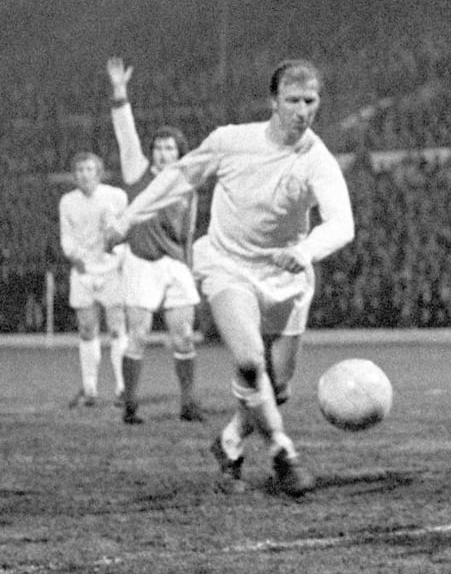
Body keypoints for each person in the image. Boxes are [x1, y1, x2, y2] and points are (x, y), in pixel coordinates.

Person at [106, 59, 355, 497]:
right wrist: (127, 219)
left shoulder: (318, 160)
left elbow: (342, 223)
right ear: (273, 102)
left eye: (310, 101)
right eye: (293, 101)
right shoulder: (231, 142)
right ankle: (283, 451)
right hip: (227, 265)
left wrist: (304, 251)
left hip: (286, 276)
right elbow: (178, 178)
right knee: (249, 361)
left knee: (276, 388)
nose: (303, 110)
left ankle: (231, 441)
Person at [106, 57, 203, 424]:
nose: (162, 153)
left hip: (174, 264)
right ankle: (130, 404)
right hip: (141, 262)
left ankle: (188, 402)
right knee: (139, 336)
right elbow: (125, 132)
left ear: (179, 153)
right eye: (158, 148)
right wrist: (120, 92)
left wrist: (189, 268)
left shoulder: (187, 185)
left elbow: (189, 232)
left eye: (169, 149)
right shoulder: (138, 171)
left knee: (183, 338)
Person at [60, 152, 128, 408]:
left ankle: (123, 389)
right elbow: (66, 237)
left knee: (117, 328)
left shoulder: (117, 196)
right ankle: (90, 389)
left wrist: (117, 253)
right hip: (83, 270)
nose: (84, 174)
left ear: (98, 172)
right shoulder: (67, 201)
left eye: (89, 169)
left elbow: (125, 230)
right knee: (87, 329)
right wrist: (75, 257)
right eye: (79, 170)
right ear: (74, 174)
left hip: (111, 270)